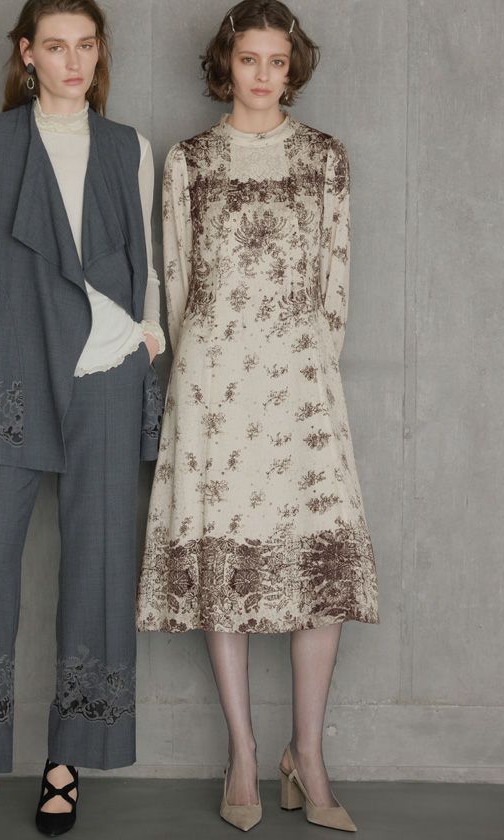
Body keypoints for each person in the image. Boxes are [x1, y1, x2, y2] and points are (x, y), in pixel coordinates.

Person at [136, 0, 379, 832]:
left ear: (293, 66)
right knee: (226, 569)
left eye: (277, 61)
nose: (264, 75)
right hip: (213, 387)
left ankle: (307, 754)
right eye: (249, 60)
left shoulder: (325, 158)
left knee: (320, 571)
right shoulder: (190, 161)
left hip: (302, 385)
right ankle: (242, 754)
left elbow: (335, 282)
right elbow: (177, 281)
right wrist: (202, 370)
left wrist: (304, 368)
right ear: (226, 64)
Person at [0, 1, 165, 836]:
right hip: (15, 375)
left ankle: (68, 761)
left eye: (86, 45)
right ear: (27, 54)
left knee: (98, 569)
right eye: (56, 46)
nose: (74, 60)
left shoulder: (130, 146)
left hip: (106, 375)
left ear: (99, 53)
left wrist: (149, 338)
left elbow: (146, 265)